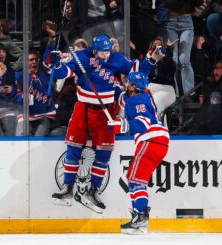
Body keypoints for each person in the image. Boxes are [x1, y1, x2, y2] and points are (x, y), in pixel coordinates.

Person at [50, 34, 164, 213]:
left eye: (107, 52)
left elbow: (138, 70)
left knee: (104, 153)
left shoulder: (117, 58)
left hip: (106, 111)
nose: (106, 55)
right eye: (102, 53)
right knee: (73, 149)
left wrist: (151, 60)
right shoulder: (82, 57)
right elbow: (63, 73)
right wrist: (56, 64)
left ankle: (94, 190)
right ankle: (67, 187)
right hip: (83, 108)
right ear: (94, 50)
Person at [108, 72, 169, 234]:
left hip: (151, 140)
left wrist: (119, 125)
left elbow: (142, 123)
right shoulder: (141, 97)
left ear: (134, 87)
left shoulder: (137, 100)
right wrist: (112, 84)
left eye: (129, 83)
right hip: (159, 141)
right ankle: (140, 218)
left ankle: (141, 216)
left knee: (134, 179)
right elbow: (122, 97)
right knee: (135, 179)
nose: (126, 85)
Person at [164, 0, 202, 97]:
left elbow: (199, 3)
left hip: (186, 22)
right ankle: (178, 95)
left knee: (184, 60)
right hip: (170, 22)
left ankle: (189, 95)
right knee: (176, 60)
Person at [15, 51, 56, 136]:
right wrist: (23, 96)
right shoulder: (19, 76)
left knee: (39, 139)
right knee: (20, 138)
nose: (34, 61)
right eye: (31, 60)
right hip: (25, 115)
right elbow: (17, 99)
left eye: (36, 59)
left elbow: (48, 57)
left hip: (44, 114)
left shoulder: (45, 75)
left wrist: (51, 42)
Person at [190, 58, 222, 135]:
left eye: (218, 68)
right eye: (215, 68)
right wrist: (199, 50)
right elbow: (201, 70)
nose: (215, 71)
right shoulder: (210, 84)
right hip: (208, 128)